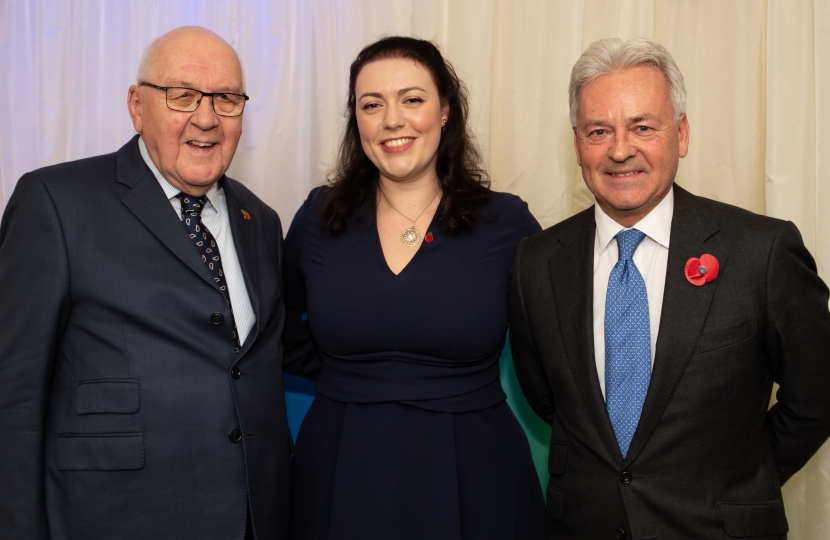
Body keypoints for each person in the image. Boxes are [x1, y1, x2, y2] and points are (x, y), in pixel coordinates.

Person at [510, 37, 830, 540]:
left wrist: (741, 481)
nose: (620, 150)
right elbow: (548, 399)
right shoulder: (536, 263)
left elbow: (816, 398)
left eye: (643, 127)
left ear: (680, 134)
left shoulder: (762, 253)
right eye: (599, 130)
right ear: (577, 144)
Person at [0, 26, 308, 539]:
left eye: (226, 99)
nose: (206, 118)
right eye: (182, 96)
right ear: (137, 105)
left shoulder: (262, 220)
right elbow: (13, 399)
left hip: (251, 518)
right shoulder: (55, 202)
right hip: (112, 517)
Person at [283, 36, 546, 539]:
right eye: (371, 104)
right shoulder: (319, 217)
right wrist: (348, 374)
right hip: (340, 463)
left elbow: (550, 346)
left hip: (475, 468)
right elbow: (278, 324)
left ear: (445, 110)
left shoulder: (505, 221)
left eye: (412, 99)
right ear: (355, 119)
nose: (391, 120)